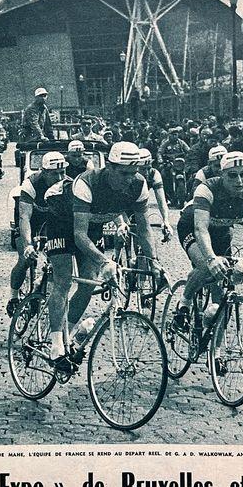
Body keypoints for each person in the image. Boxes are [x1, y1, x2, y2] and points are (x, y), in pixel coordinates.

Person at [174, 151, 243, 326]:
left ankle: (214, 347)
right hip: (191, 228)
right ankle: (184, 303)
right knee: (206, 267)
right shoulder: (207, 188)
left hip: (221, 231)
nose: (239, 180)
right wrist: (210, 259)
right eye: (232, 175)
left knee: (224, 282)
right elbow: (200, 228)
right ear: (222, 175)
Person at [69, 142, 162, 344]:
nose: (130, 179)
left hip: (94, 226)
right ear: (109, 167)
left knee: (87, 283)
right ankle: (56, 341)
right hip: (66, 222)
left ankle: (67, 333)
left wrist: (153, 260)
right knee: (62, 280)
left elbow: (144, 228)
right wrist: (104, 261)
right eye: (124, 173)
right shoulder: (89, 182)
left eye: (133, 172)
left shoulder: (138, 184)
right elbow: (79, 235)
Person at [6, 152, 70, 317]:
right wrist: (28, 244)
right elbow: (24, 217)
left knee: (57, 259)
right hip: (31, 219)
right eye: (55, 173)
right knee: (25, 259)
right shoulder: (31, 184)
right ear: (43, 171)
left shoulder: (67, 183)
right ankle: (13, 296)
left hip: (52, 220)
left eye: (62, 172)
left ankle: (40, 285)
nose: (60, 177)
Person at [137, 148, 173, 239]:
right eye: (142, 169)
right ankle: (117, 252)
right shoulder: (129, 175)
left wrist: (166, 220)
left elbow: (162, 201)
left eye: (148, 168)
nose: (146, 173)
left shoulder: (154, 174)